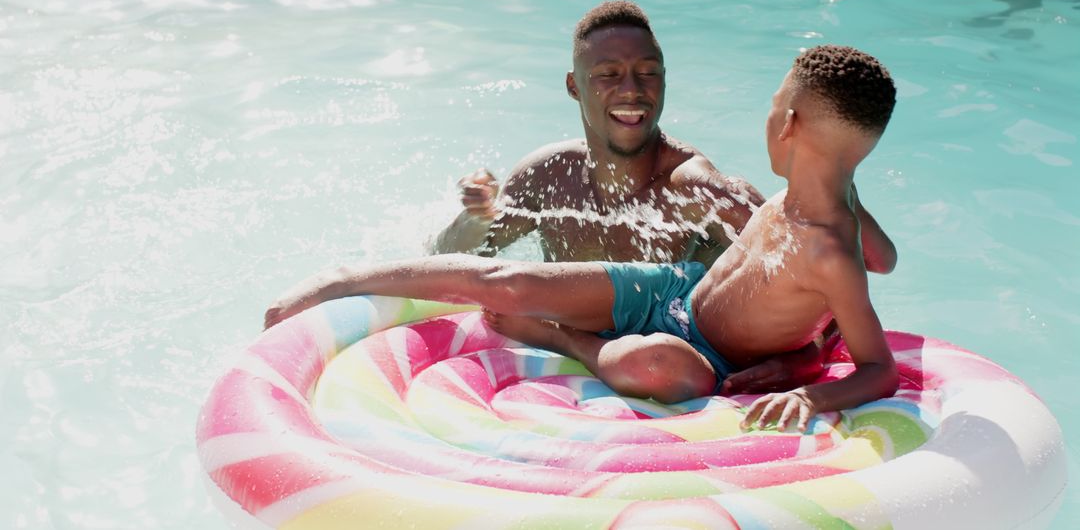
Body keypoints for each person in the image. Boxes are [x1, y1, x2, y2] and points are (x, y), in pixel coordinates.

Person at [265, 45, 901, 431]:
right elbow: (886, 258)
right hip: (671, 290)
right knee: (506, 282)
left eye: (772, 104)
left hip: (713, 357)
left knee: (656, 365)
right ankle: (343, 279)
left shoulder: (829, 247)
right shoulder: (835, 200)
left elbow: (878, 370)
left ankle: (562, 338)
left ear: (788, 123)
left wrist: (810, 390)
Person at [431, 0, 763, 267]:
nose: (632, 90)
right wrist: (478, 219)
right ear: (574, 86)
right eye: (608, 74)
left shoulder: (695, 190)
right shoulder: (549, 178)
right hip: (562, 342)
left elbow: (790, 255)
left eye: (648, 73)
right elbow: (442, 259)